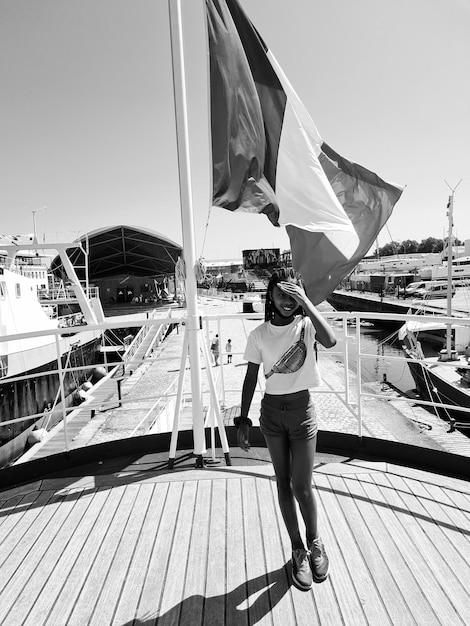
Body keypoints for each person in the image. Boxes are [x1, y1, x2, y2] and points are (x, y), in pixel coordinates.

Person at [235, 269, 336, 591]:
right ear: (270, 297)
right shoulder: (259, 335)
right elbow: (251, 378)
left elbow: (331, 340)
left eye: (292, 295)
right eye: (281, 294)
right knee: (282, 482)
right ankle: (298, 550)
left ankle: (314, 541)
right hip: (272, 415)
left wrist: (306, 300)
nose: (287, 301)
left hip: (302, 413)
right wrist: (243, 420)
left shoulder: (306, 326)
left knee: (302, 486)